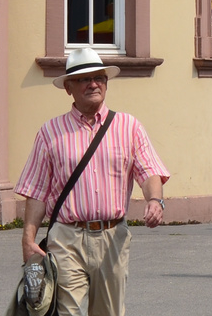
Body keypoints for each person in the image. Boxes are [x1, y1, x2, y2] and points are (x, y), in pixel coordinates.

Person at [16, 47, 171, 316]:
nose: (93, 84)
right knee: (66, 312)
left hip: (112, 237)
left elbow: (149, 172)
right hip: (66, 237)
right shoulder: (50, 132)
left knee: (108, 313)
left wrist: (155, 201)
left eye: (99, 78)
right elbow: (37, 191)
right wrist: (28, 240)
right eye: (84, 79)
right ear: (68, 87)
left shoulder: (128, 126)